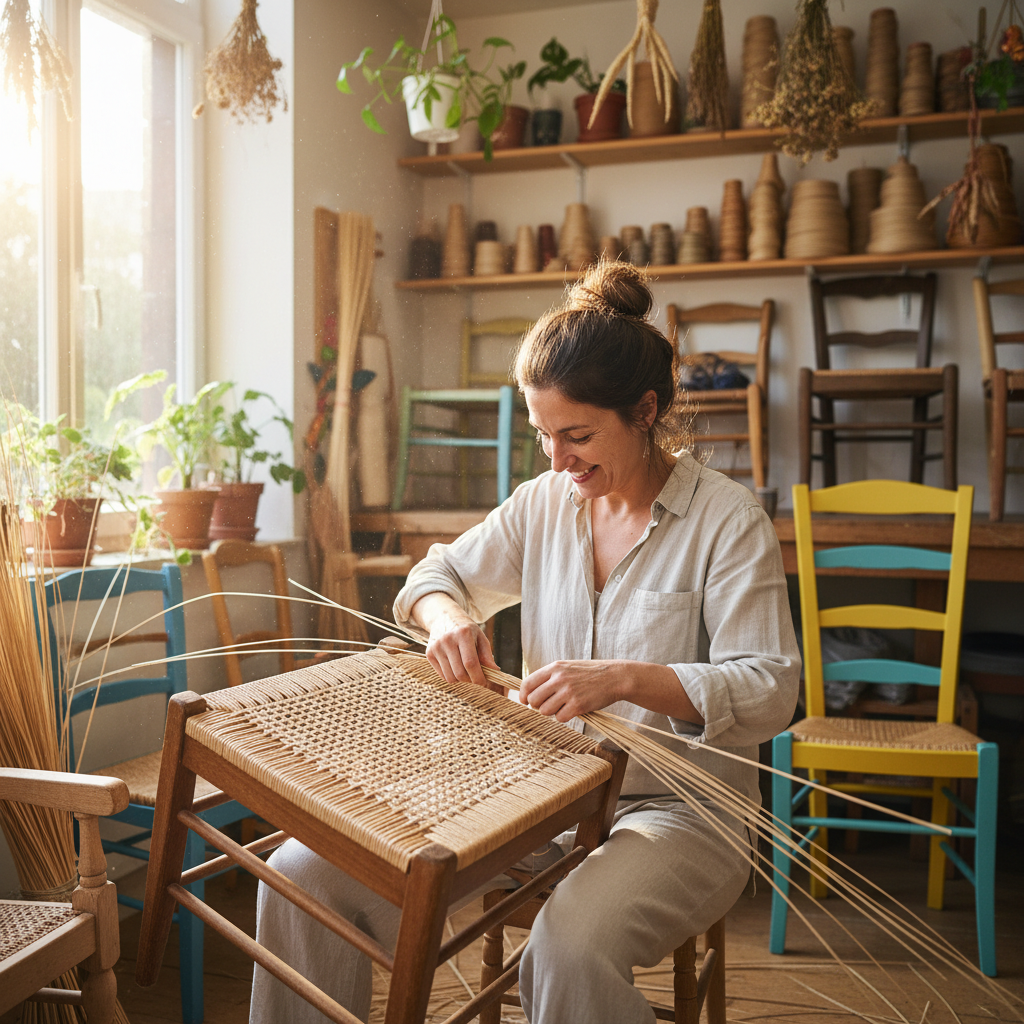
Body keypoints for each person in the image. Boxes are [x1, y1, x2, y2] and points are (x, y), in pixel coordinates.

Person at [250, 260, 800, 1024]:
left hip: (675, 812)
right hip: (530, 795)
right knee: (301, 874)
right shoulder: (544, 503)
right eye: (544, 435)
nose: (558, 460)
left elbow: (772, 685)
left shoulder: (726, 522)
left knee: (568, 945)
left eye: (578, 435)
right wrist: (449, 621)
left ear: (644, 412)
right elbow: (433, 575)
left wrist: (624, 679)